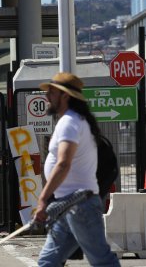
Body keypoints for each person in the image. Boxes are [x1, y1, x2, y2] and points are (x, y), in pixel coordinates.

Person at [34, 72, 120, 266]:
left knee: (102, 260)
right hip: (70, 205)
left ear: (65, 96)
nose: (47, 97)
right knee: (48, 261)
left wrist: (43, 199)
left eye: (52, 93)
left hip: (79, 205)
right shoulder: (75, 121)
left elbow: (64, 163)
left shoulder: (69, 123)